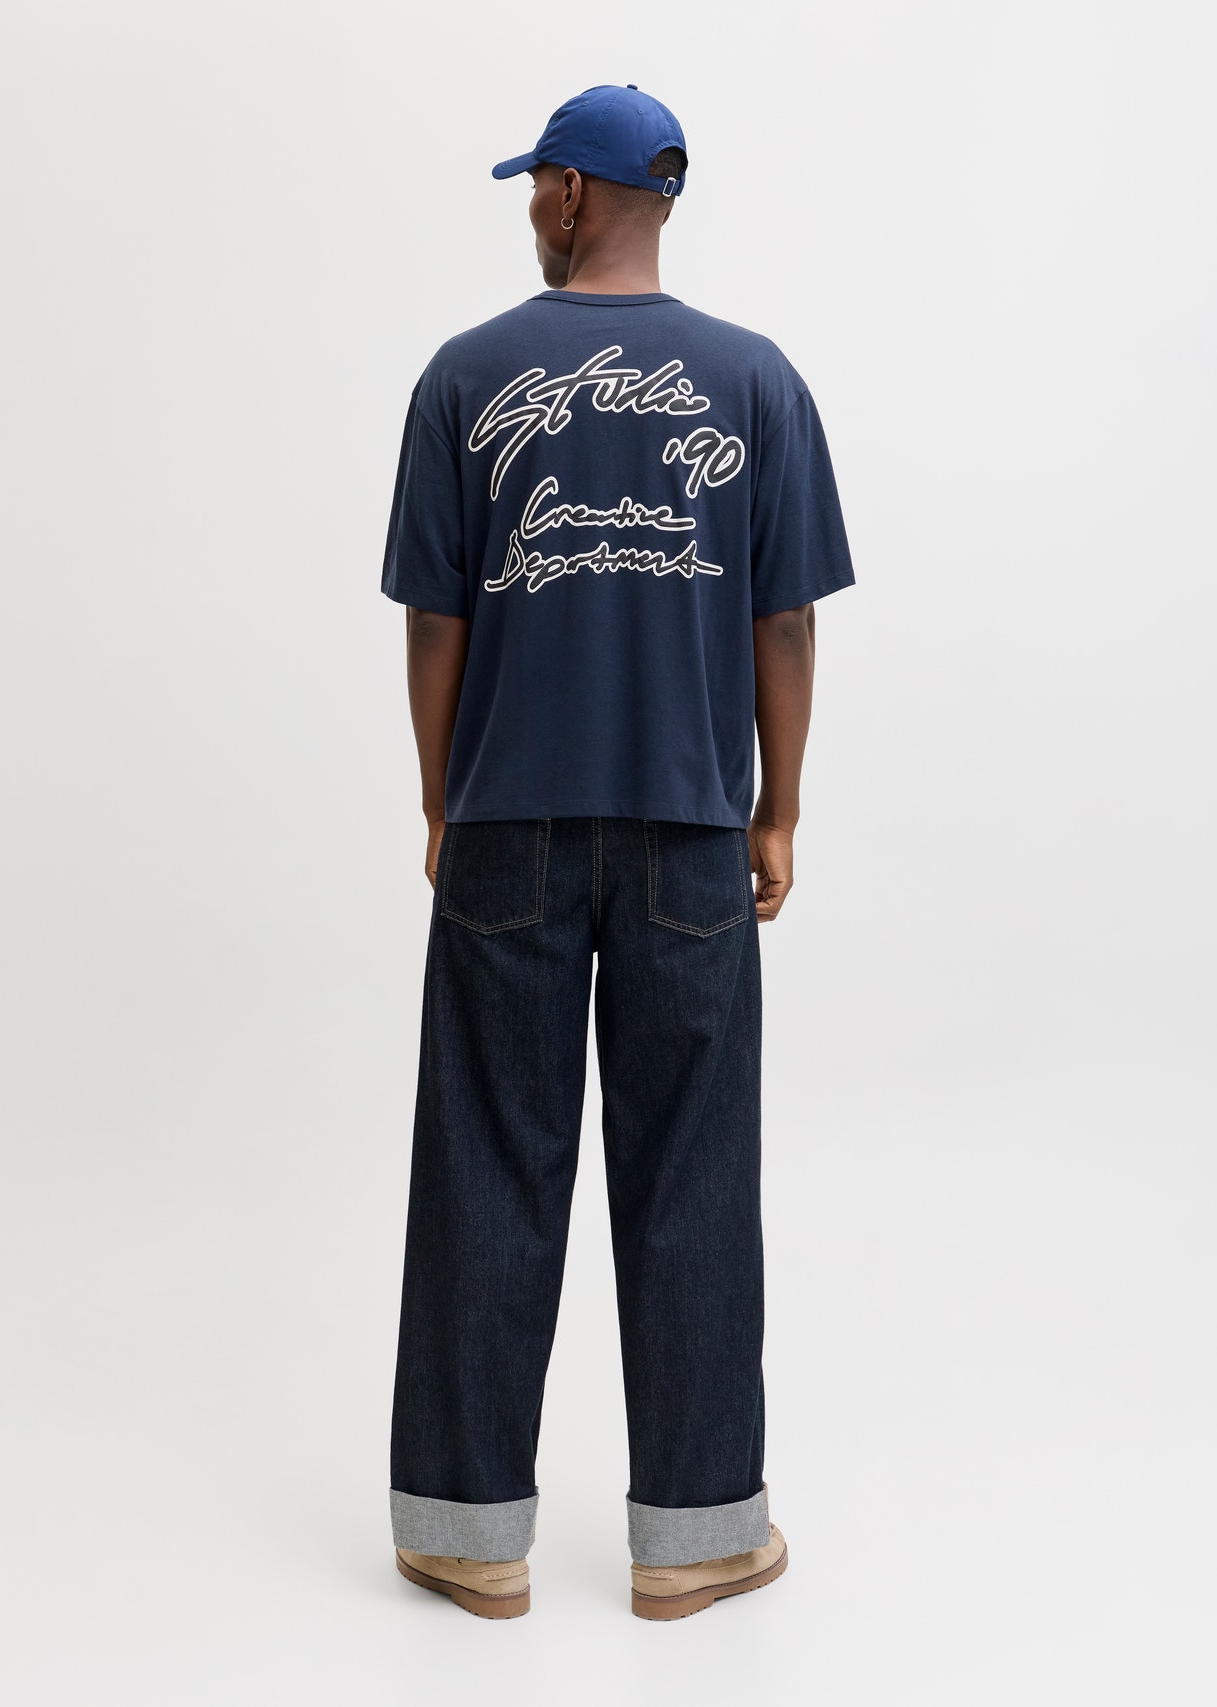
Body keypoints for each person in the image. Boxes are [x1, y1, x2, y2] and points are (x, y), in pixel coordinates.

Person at [380, 82, 855, 1621]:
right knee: (692, 1175)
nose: (532, 207)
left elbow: (436, 622)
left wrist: (443, 798)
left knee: (486, 1164)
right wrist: (778, 808)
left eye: (538, 185)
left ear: (577, 194)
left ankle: (466, 1533)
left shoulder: (465, 376)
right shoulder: (759, 380)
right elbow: (786, 621)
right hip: (690, 831)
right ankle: (700, 1538)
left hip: (506, 823)